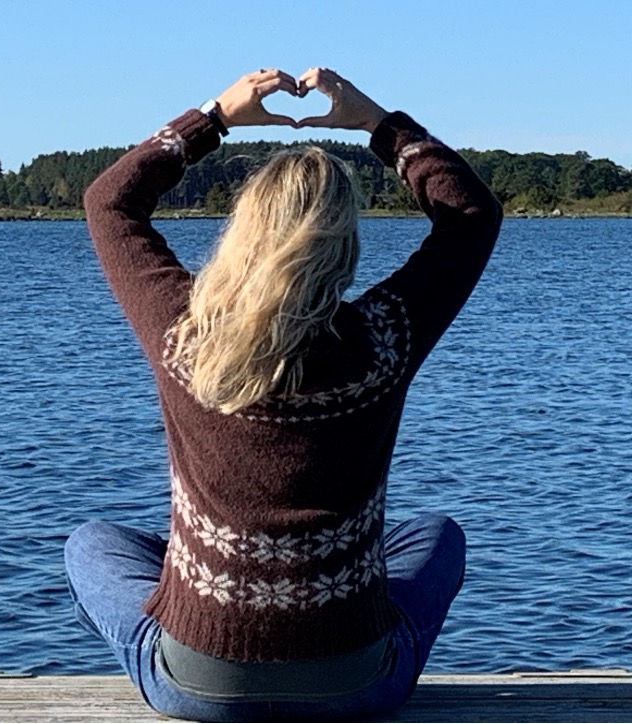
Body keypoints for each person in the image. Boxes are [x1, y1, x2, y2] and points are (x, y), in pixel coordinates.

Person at [64, 67, 502, 721]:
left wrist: (213, 117)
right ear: (344, 246)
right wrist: (377, 124)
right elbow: (469, 216)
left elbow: (109, 203)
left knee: (90, 544)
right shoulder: (382, 341)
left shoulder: (184, 335)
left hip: (196, 686)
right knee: (438, 537)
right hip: (357, 683)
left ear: (240, 235)